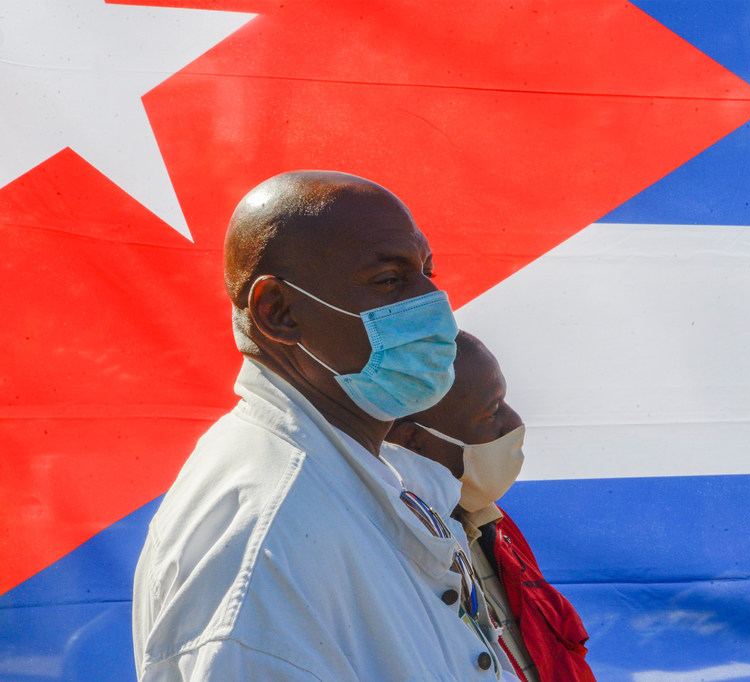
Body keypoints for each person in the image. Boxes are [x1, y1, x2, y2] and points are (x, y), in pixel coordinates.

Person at [132, 171, 516, 680]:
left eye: (427, 271)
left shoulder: (360, 472)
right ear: (279, 312)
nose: (433, 303)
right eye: (389, 280)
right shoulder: (266, 532)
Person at [387, 332, 595, 682]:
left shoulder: (494, 524)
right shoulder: (389, 552)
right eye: (492, 412)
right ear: (413, 441)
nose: (514, 423)